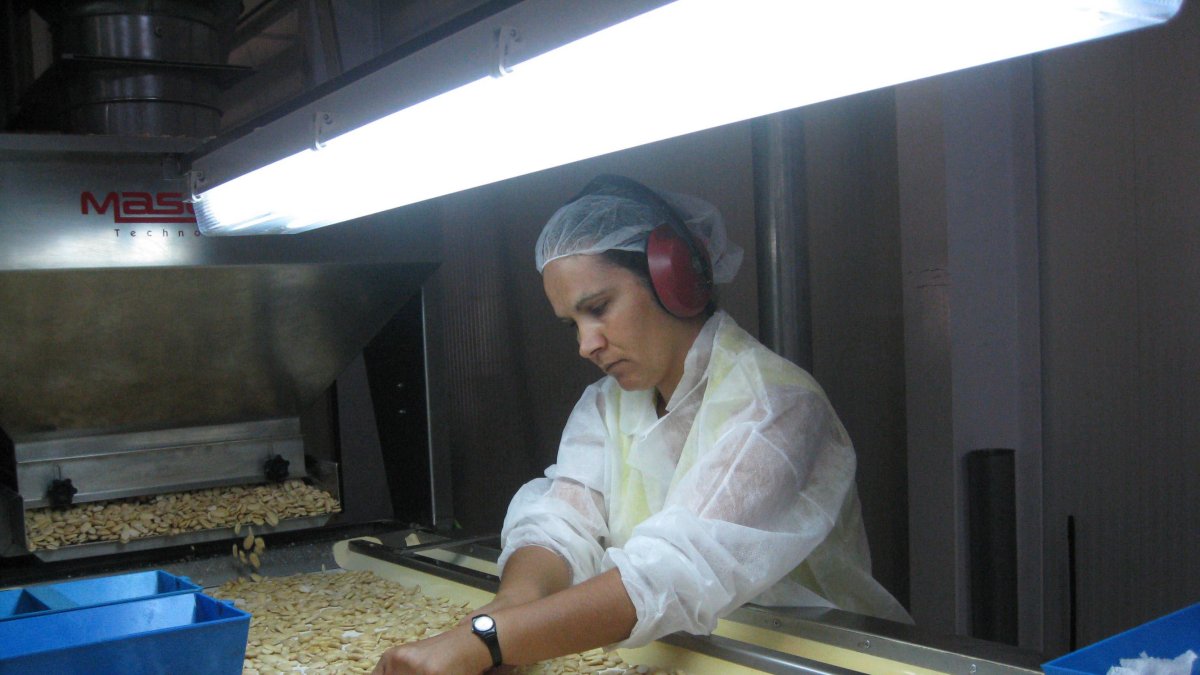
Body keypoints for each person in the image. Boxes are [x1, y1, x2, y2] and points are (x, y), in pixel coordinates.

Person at [373, 174, 910, 674]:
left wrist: (489, 640)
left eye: (600, 307)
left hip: (803, 658)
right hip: (681, 653)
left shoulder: (778, 405)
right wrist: (506, 610)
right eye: (573, 324)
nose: (586, 344)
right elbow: (563, 519)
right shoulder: (608, 404)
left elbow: (676, 570)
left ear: (671, 277)